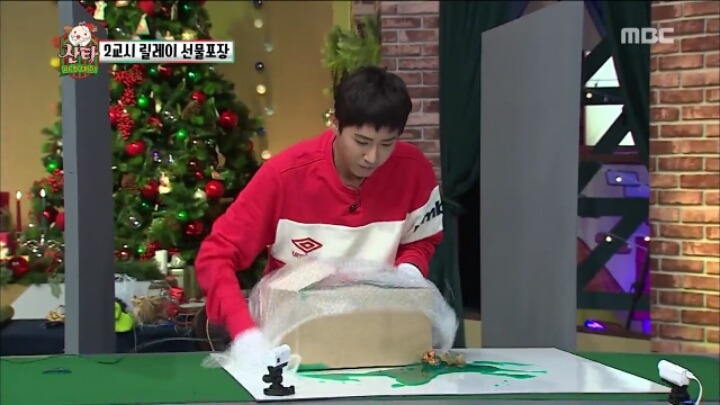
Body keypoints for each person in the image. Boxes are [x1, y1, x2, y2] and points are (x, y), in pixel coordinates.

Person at [195, 66, 444, 368]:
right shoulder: (283, 177)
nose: (372, 157)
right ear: (335, 123)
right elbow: (215, 255)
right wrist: (246, 334)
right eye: (362, 142)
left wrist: (407, 273)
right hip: (294, 347)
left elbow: (423, 239)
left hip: (382, 340)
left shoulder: (414, 170)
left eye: (387, 144)